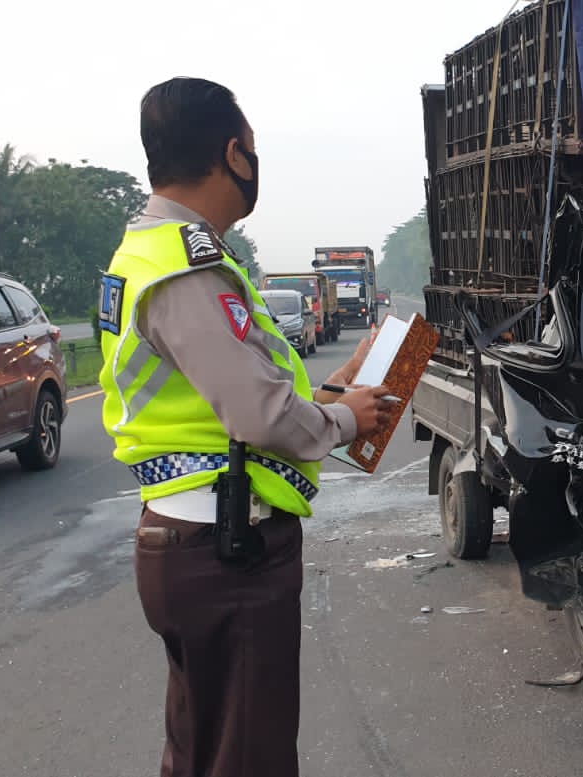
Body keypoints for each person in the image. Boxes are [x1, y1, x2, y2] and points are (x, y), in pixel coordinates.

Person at [97, 76, 391, 777]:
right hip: (226, 550)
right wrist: (346, 421)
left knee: (202, 749)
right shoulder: (185, 267)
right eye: (252, 151)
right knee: (247, 757)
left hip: (191, 539)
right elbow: (259, 414)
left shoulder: (157, 255)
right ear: (232, 154)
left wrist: (336, 385)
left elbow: (238, 393)